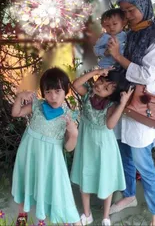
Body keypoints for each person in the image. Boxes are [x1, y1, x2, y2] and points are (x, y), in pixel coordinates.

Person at [108, 0, 155, 226]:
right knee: (123, 151)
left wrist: (118, 57)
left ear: (144, 5)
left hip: (140, 104)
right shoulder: (131, 33)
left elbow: (147, 75)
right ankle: (129, 196)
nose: (127, 16)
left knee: (143, 162)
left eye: (131, 10)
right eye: (124, 11)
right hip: (123, 102)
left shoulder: (153, 35)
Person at [11, 67, 81, 226]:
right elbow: (16, 113)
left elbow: (69, 148)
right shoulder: (38, 105)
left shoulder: (69, 115)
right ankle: (22, 214)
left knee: (57, 185)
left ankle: (71, 219)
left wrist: (74, 134)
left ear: (66, 91)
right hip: (29, 151)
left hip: (51, 156)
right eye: (48, 91)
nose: (53, 96)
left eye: (58, 91)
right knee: (26, 179)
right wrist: (19, 97)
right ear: (43, 92)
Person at [70, 68, 133, 226]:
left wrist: (123, 103)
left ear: (112, 95)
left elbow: (110, 125)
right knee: (85, 174)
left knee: (106, 178)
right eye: (101, 81)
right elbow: (75, 84)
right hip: (86, 143)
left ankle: (105, 216)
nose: (100, 86)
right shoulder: (88, 94)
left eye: (106, 88)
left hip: (104, 147)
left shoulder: (111, 105)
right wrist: (97, 71)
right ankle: (87, 213)